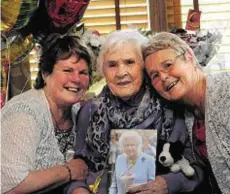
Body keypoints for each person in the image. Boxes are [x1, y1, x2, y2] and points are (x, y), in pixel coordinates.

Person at [66, 30, 203, 194]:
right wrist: (79, 190)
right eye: (112, 65)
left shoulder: (171, 104)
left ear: (144, 67)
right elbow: (77, 169)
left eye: (129, 62)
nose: (121, 72)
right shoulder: (89, 111)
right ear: (102, 70)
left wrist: (167, 183)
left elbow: (199, 166)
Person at [129, 31, 230, 194]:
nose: (163, 77)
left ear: (189, 57)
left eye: (168, 65)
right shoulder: (186, 114)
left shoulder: (227, 90)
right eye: (155, 75)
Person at [1, 33, 92, 193]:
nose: (76, 79)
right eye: (67, 70)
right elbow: (13, 183)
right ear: (45, 74)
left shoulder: (79, 113)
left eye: (83, 73)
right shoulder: (24, 112)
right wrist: (68, 171)